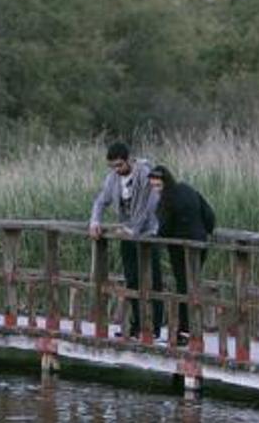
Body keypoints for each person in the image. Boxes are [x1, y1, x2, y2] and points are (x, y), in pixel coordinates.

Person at [89, 141, 164, 339]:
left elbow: (150, 205)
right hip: (126, 232)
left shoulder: (145, 172)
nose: (117, 170)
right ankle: (136, 326)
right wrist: (95, 221)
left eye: (120, 165)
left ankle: (154, 329)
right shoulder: (112, 179)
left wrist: (134, 230)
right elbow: (100, 201)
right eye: (113, 166)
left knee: (154, 280)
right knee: (132, 279)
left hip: (148, 233)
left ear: (129, 159)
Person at [149, 165, 216, 345]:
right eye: (153, 187)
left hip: (181, 248)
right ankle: (190, 331)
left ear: (165, 183)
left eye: (157, 186)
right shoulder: (188, 189)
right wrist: (204, 232)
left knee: (183, 288)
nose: (156, 190)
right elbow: (209, 215)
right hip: (200, 243)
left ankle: (185, 332)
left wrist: (158, 238)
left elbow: (164, 228)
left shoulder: (167, 199)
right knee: (192, 285)